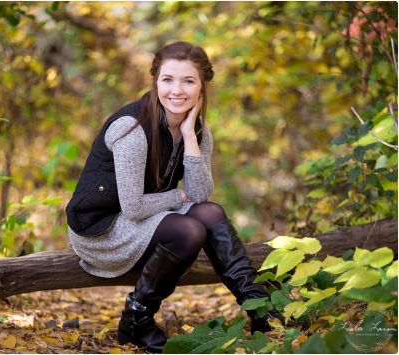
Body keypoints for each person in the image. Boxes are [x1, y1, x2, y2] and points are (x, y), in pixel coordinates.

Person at [65, 41, 283, 353]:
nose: (176, 90)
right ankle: (135, 320)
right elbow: (134, 207)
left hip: (142, 218)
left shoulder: (197, 130)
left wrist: (191, 139)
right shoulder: (132, 129)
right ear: (155, 82)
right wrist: (176, 195)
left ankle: (259, 307)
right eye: (168, 80)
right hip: (101, 230)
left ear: (202, 87)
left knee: (211, 212)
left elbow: (199, 195)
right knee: (190, 229)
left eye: (188, 81)